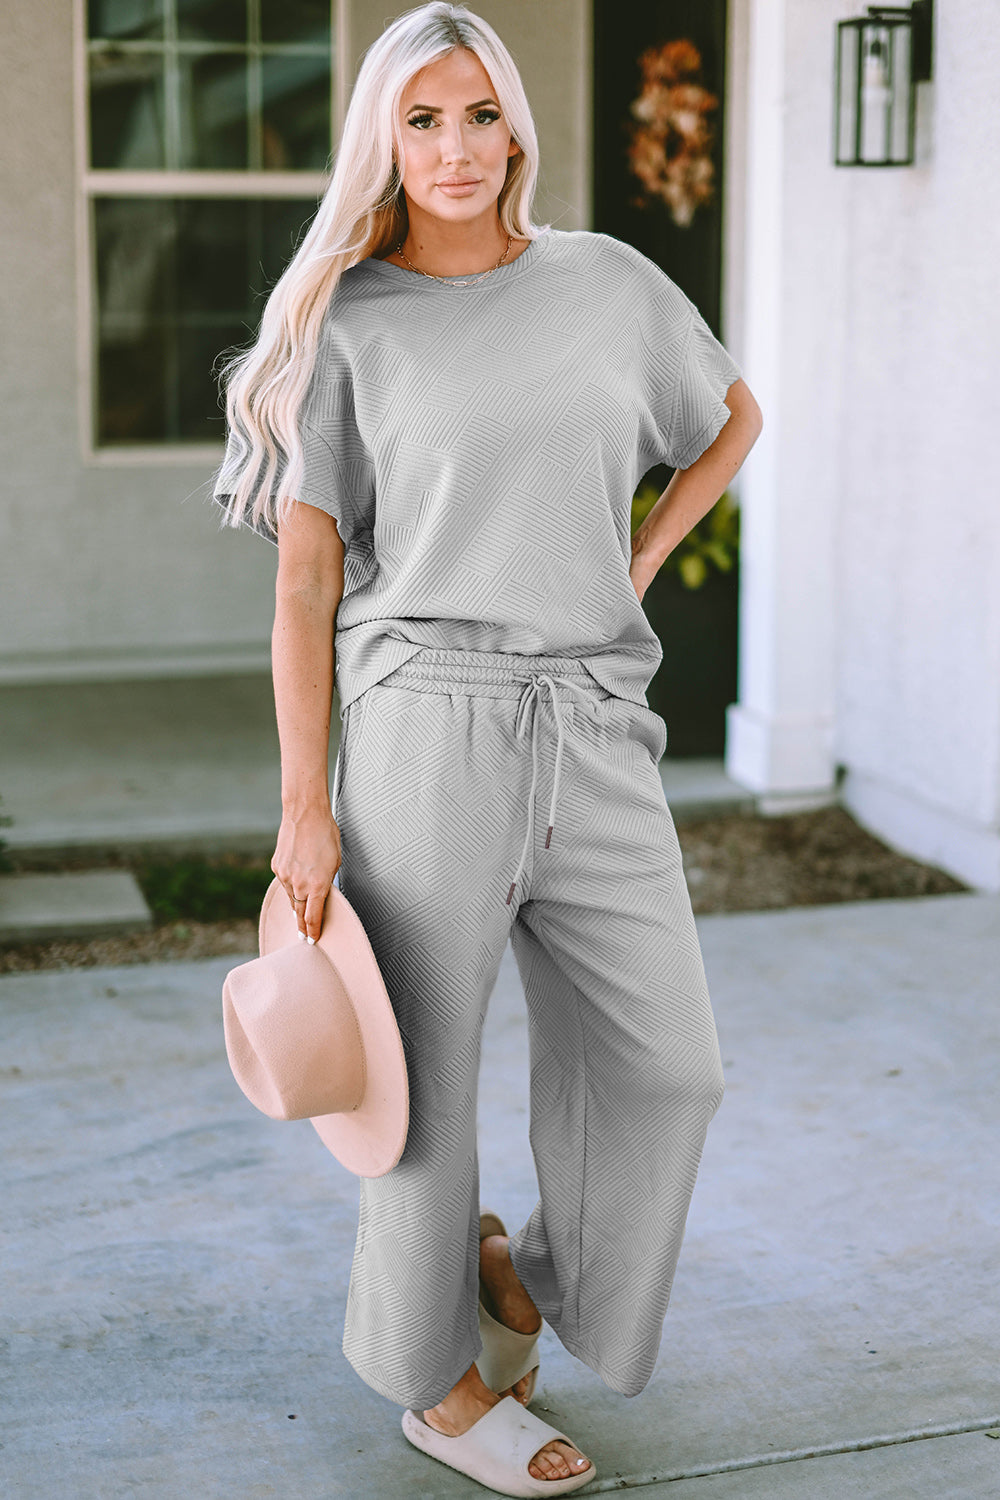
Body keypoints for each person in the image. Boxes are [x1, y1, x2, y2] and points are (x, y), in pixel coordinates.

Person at [213, 3, 762, 1494]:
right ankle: (438, 1386)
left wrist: (630, 568)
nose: (452, 148)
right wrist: (303, 809)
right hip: (424, 727)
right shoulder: (352, 326)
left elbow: (730, 420)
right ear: (382, 143)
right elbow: (308, 584)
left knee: (670, 1066)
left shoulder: (608, 282)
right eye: (419, 120)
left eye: (475, 114)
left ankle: (517, 1278)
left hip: (593, 724)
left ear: (516, 124)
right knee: (422, 1095)